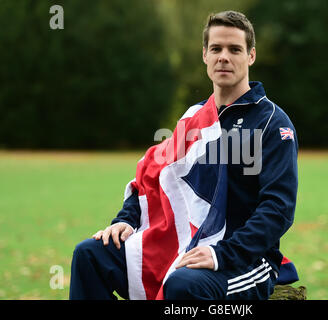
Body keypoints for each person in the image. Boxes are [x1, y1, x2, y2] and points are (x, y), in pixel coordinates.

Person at [70, 10, 298, 300]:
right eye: (216, 48)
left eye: (235, 49)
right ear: (204, 55)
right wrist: (125, 220)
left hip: (245, 260)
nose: (223, 57)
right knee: (90, 255)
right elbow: (153, 179)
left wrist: (221, 254)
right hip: (185, 246)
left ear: (251, 56)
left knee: (182, 285)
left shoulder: (272, 123)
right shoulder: (195, 118)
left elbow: (278, 208)